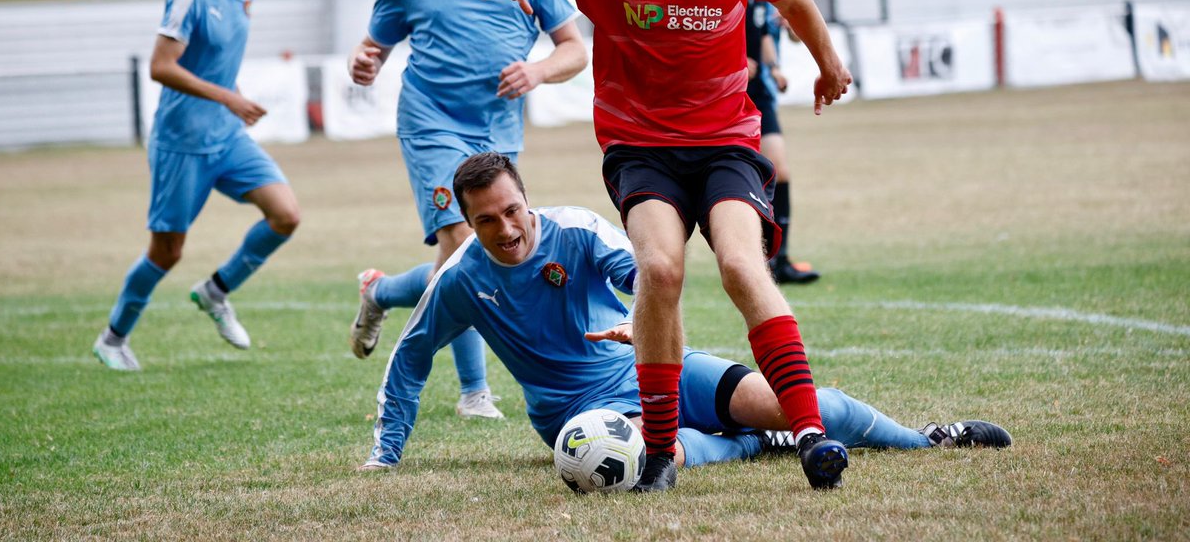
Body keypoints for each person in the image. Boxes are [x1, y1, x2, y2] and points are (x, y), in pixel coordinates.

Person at [468, 0, 853, 491]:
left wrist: (828, 63)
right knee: (660, 268)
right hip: (639, 142)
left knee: (740, 264)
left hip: (726, 138)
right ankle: (661, 452)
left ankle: (811, 434)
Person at [360, 153, 1012, 475]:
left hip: (650, 364)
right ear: (468, 223)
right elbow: (413, 353)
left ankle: (925, 438)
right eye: (487, 220)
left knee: (793, 399)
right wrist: (385, 458)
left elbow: (649, 276)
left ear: (527, 201)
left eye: (513, 211)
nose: (506, 229)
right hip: (576, 417)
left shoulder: (577, 231)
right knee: (656, 453)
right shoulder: (462, 279)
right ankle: (756, 445)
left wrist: (638, 319)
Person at [346, 0, 588, 419]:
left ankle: (380, 292)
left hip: (496, 135)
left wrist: (536, 72)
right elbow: (373, 45)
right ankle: (474, 393)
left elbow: (574, 50)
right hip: (429, 124)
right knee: (461, 243)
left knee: (490, 248)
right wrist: (364, 62)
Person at [92, 0, 301, 371]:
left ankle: (215, 291)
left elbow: (216, 58)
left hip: (225, 136)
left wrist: (230, 102)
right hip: (181, 142)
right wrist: (229, 97)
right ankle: (113, 338)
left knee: (286, 214)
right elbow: (161, 66)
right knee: (166, 252)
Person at [725, 0, 820, 285]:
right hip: (726, 91)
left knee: (777, 169)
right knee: (743, 176)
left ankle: (776, 260)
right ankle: (754, 260)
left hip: (759, 87)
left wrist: (774, 63)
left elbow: (770, 31)